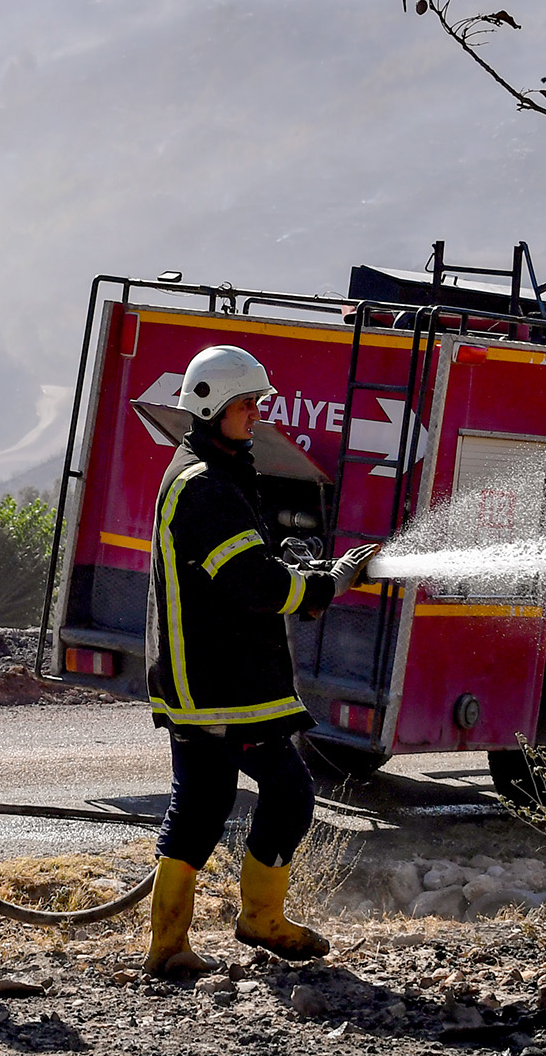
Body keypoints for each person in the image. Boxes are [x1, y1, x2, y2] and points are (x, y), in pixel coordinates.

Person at [142, 345, 375, 976]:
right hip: (220, 680)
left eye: (258, 403)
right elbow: (254, 586)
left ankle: (207, 935)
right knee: (256, 797)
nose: (257, 414)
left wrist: (301, 575)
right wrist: (326, 586)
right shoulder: (205, 487)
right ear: (211, 406)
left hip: (221, 677)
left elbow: (248, 573)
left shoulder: (214, 472)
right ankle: (227, 928)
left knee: (225, 799)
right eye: (247, 404)